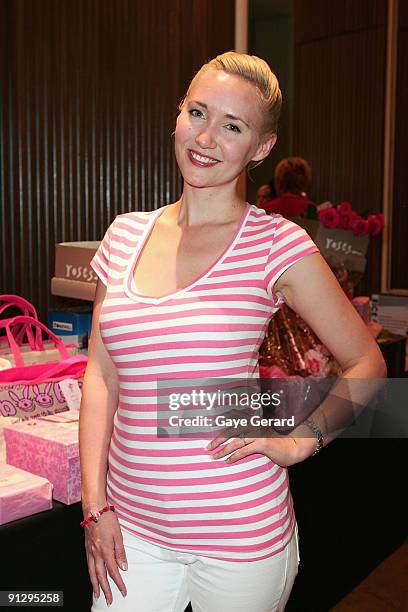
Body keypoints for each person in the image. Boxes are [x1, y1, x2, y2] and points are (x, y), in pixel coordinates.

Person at [79, 51, 386, 612]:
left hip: (240, 537)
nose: (206, 137)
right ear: (178, 115)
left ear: (261, 149)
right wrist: (94, 507)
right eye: (197, 112)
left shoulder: (277, 245)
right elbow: (100, 375)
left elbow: (368, 363)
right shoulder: (124, 235)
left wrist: (302, 441)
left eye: (233, 126)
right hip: (133, 533)